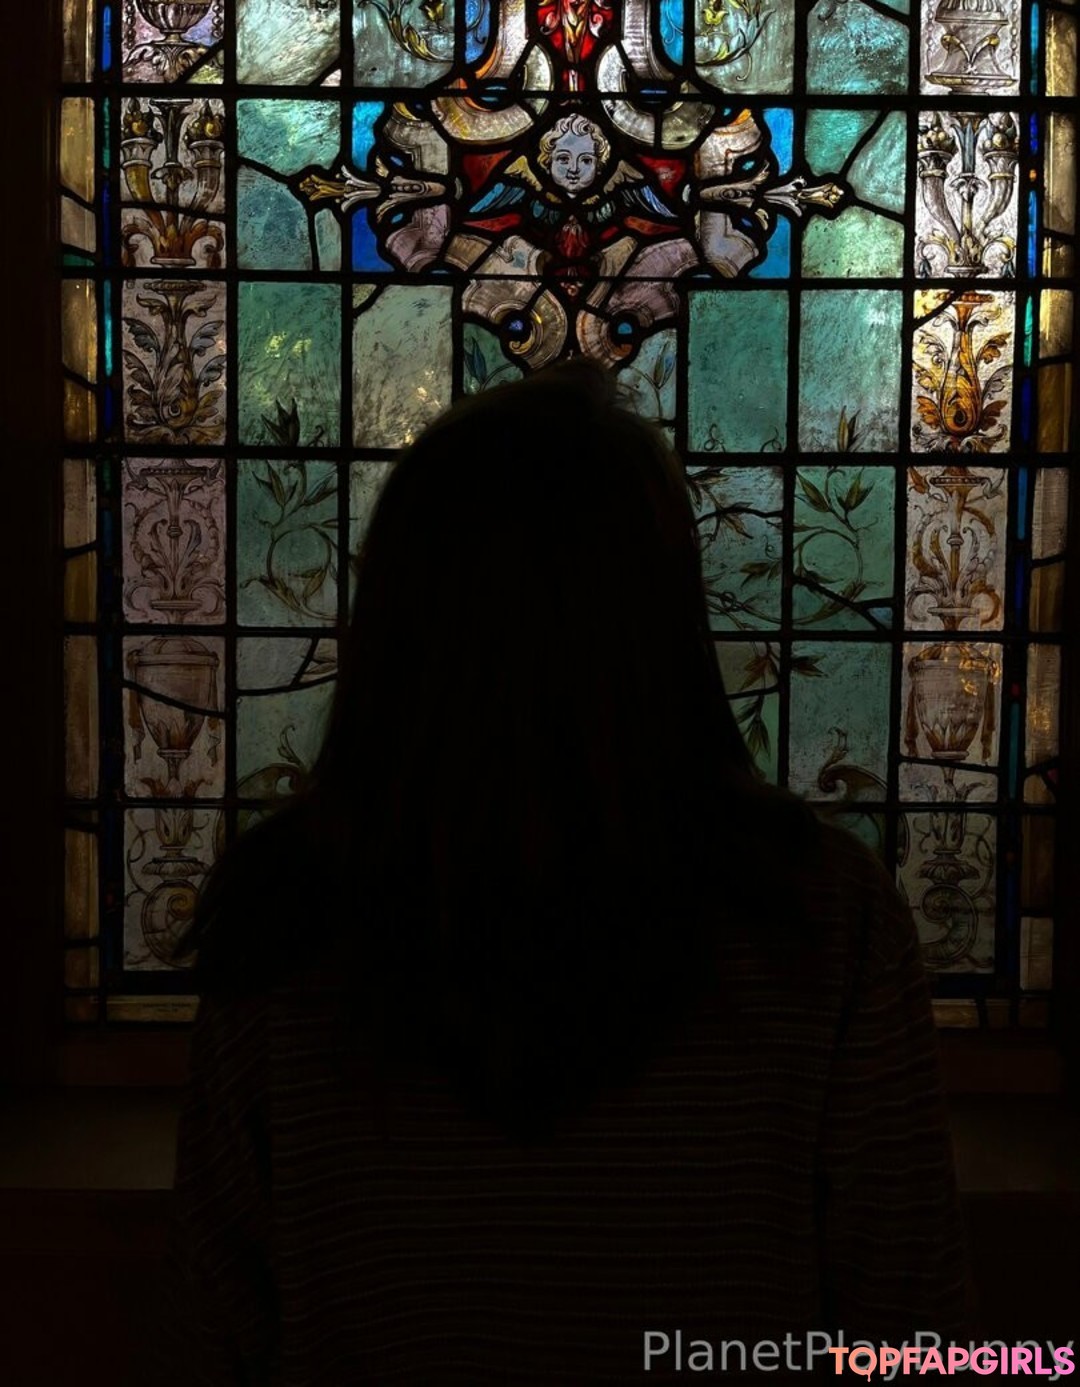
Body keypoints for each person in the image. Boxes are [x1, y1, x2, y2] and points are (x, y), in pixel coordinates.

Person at [165, 361, 971, 1385]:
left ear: (398, 621)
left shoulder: (287, 915)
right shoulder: (821, 917)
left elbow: (216, 1333)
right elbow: (906, 1327)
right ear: (664, 621)